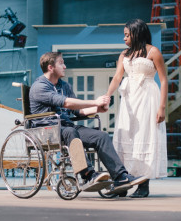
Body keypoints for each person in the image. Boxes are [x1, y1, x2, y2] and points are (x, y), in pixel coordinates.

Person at [29, 51, 147, 193]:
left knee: (101, 136)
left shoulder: (64, 86)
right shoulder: (39, 87)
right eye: (61, 63)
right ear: (50, 67)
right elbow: (66, 103)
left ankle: (120, 177)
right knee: (70, 131)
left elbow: (76, 111)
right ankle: (87, 175)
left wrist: (97, 108)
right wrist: (94, 101)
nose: (65, 66)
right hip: (46, 130)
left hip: (65, 128)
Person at [106, 19, 168, 197]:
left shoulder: (153, 51)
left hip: (148, 97)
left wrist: (162, 107)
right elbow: (117, 77)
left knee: (144, 136)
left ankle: (143, 184)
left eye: (127, 34)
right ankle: (123, 183)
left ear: (136, 33)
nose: (124, 38)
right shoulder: (124, 54)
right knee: (126, 136)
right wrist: (107, 96)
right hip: (129, 99)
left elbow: (163, 80)